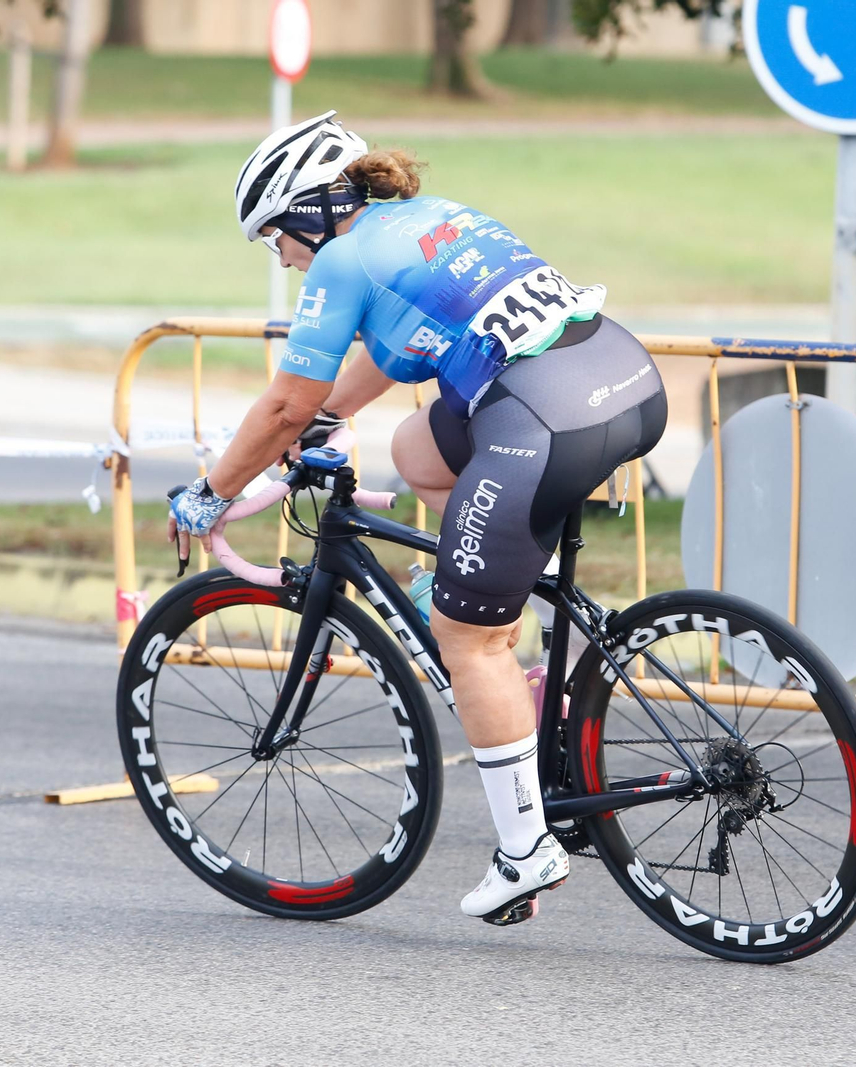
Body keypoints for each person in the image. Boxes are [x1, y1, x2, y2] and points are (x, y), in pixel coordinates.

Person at [169, 111, 667, 926]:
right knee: (417, 449)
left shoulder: (340, 258)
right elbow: (356, 375)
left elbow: (285, 401)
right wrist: (328, 417)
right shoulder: (431, 217)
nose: (285, 260)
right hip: (620, 378)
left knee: (462, 636)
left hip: (543, 418)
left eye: (276, 238)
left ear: (310, 210)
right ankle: (518, 636)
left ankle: (524, 851)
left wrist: (210, 492)